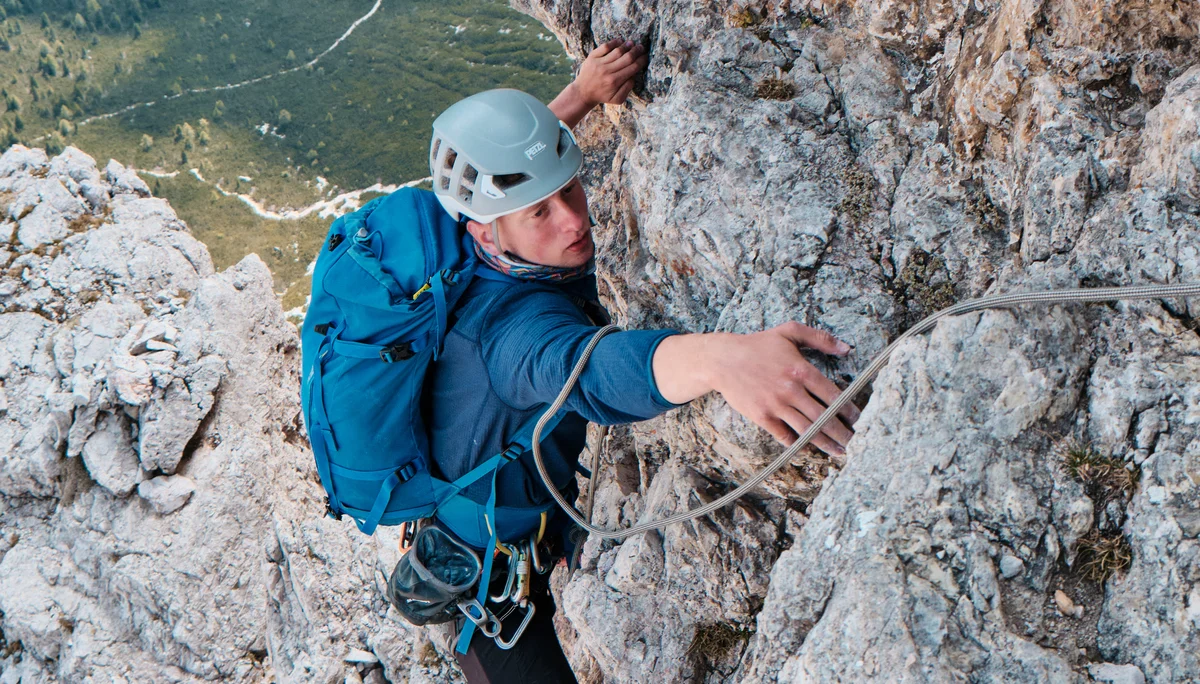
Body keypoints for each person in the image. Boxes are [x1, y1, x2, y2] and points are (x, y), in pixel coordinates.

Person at [423, 38, 861, 683]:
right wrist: (720, 360)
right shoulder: (509, 334)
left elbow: (518, 175)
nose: (574, 221)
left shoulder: (471, 235)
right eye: (542, 212)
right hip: (491, 599)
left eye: (571, 190)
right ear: (486, 230)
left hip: (526, 536)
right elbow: (591, 371)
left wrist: (579, 96)